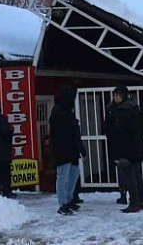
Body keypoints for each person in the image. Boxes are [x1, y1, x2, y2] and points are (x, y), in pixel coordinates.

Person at [106, 85, 143, 213]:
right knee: (135, 175)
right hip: (132, 148)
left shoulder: (123, 111)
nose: (115, 98)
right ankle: (141, 200)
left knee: (130, 176)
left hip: (125, 148)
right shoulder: (132, 109)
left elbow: (117, 131)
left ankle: (135, 201)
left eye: (117, 95)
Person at [49, 86, 86, 215]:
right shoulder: (62, 114)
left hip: (68, 150)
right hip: (65, 150)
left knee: (71, 175)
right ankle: (63, 203)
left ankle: (67, 200)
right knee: (64, 176)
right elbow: (72, 133)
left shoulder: (60, 113)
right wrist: (81, 149)